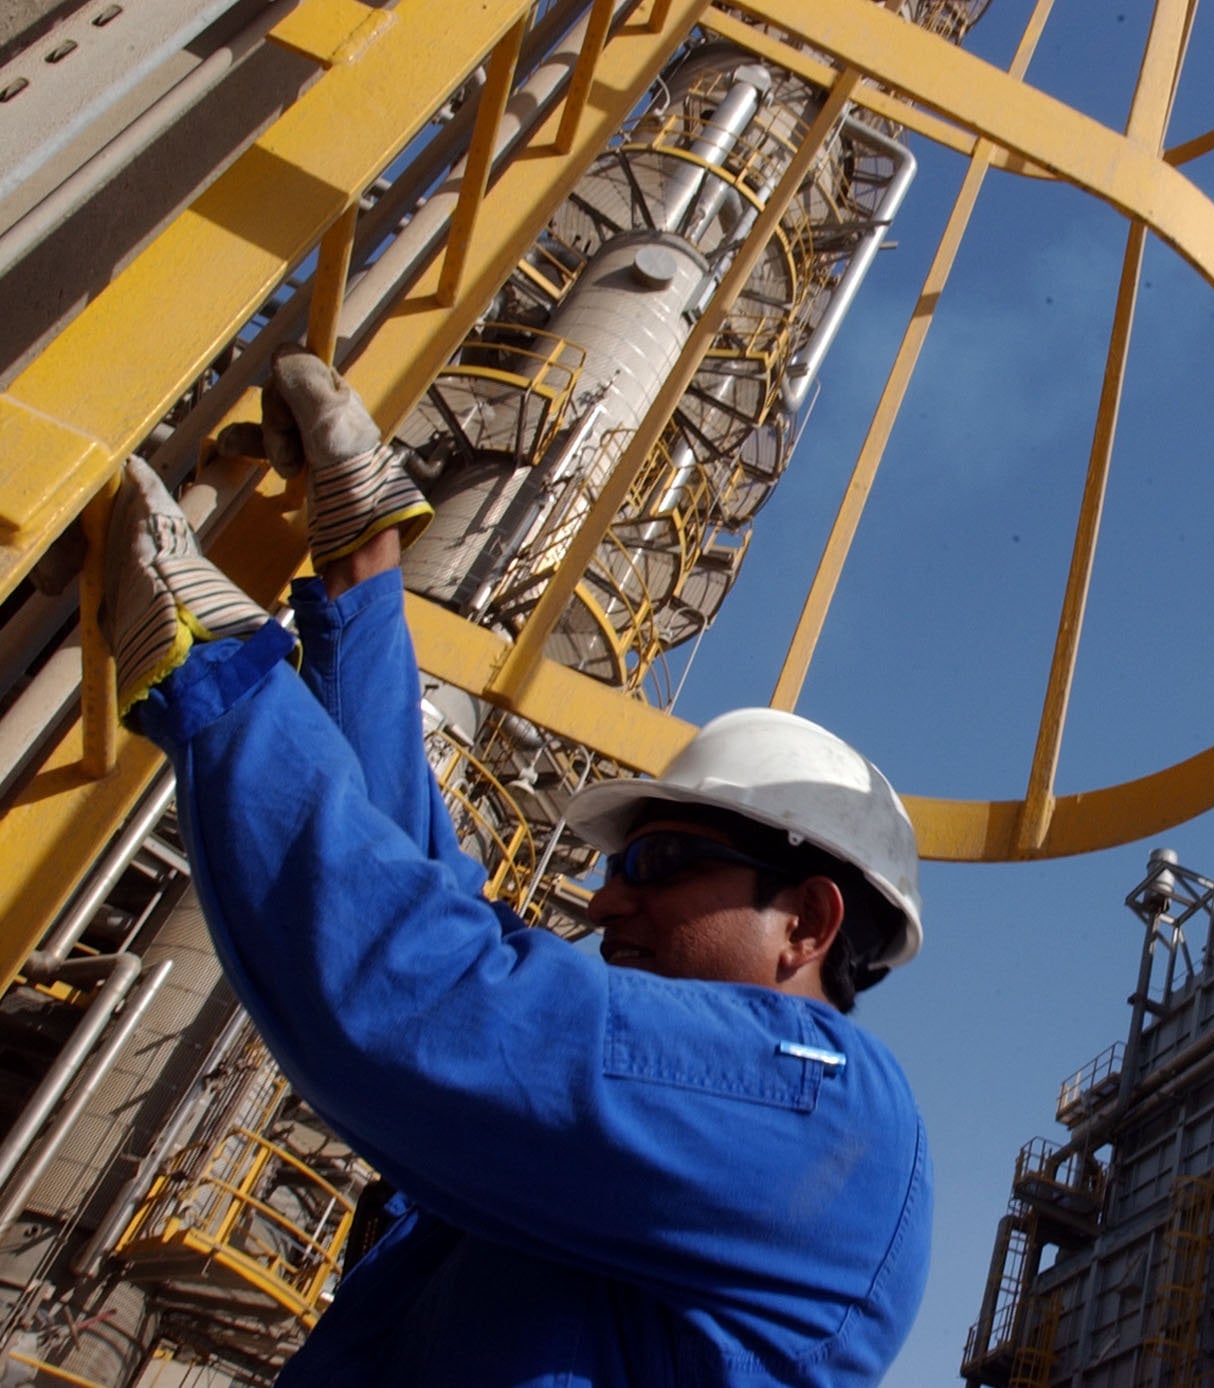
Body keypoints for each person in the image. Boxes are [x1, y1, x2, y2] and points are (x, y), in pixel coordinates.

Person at [104, 349, 932, 1385]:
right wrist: (363, 590)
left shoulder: (827, 1112)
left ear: (807, 923)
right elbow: (433, 915)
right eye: (621, 859)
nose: (605, 892)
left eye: (662, 861)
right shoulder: (653, 1146)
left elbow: (418, 1005)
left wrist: (216, 671)